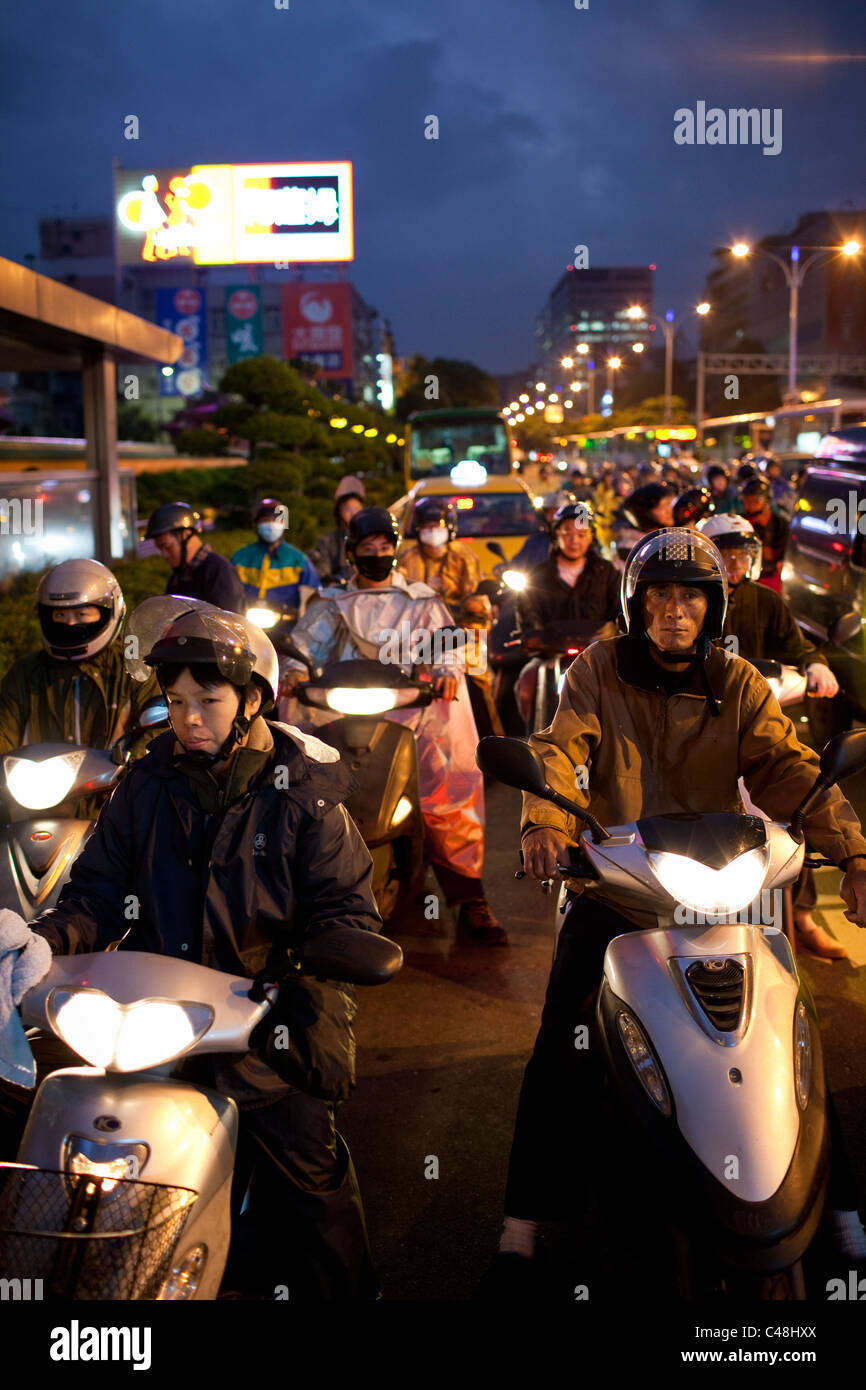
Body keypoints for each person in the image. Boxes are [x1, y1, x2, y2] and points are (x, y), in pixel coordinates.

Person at [480, 527, 866, 1294]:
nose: (675, 611)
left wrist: (853, 854)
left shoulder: (738, 682)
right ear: (636, 604)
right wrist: (547, 827)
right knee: (566, 1039)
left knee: (794, 1033)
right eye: (659, 595)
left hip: (724, 885)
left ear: (714, 605)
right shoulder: (597, 670)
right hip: (621, 889)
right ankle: (523, 1224)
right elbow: (558, 750)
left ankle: (841, 1211)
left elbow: (787, 768)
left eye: (691, 596)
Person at [10, 599, 383, 1300]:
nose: (189, 718)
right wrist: (39, 941)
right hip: (161, 1021)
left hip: (270, 1023)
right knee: (116, 1173)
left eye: (208, 699)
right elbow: (93, 893)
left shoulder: (306, 800)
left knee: (308, 1186)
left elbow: (347, 912)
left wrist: (305, 977)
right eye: (175, 701)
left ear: (251, 701)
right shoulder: (145, 785)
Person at [281, 507, 505, 945]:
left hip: (410, 711)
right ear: (351, 554)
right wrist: (293, 670)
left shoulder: (420, 601)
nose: (379, 555)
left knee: (450, 775)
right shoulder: (329, 604)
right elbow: (301, 649)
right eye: (369, 548)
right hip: (341, 712)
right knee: (295, 764)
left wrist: (443, 672)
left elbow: (445, 647)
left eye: (386, 548)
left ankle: (467, 895)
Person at [697, 513, 845, 960]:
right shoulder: (692, 602)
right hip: (700, 735)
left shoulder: (767, 601)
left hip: (762, 729)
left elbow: (797, 647)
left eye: (741, 555)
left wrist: (815, 663)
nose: (734, 564)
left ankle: (800, 915)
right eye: (724, 555)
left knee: (791, 818)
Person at [0, 559, 162, 814]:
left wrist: (130, 767)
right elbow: (4, 729)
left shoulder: (134, 666)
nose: (71, 624)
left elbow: (158, 728)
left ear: (110, 610)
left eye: (83, 614)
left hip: (116, 808)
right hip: (36, 808)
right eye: (60, 615)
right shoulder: (25, 673)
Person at [517, 502, 620, 634]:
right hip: (551, 652)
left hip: (596, 651)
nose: (574, 541)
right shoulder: (538, 575)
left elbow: (618, 612)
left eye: (581, 535)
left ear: (591, 537)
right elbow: (529, 617)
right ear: (557, 535)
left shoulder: (606, 572)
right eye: (567, 533)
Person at [145, 502, 246, 613]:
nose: (164, 555)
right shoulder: (178, 577)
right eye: (160, 550)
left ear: (186, 534)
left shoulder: (219, 570)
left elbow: (229, 623)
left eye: (168, 547)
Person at [231, 498, 321, 615]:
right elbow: (227, 593)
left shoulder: (299, 559)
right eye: (265, 520)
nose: (271, 524)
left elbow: (314, 600)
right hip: (246, 625)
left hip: (287, 627)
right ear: (256, 525)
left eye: (276, 520)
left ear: (283, 524)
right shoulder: (239, 558)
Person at [396, 496, 481, 611]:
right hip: (417, 622)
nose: (432, 531)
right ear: (418, 529)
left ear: (449, 527)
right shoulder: (407, 559)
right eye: (427, 527)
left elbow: (475, 601)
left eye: (437, 527)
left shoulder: (464, 558)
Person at [308, 475, 366, 586]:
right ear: (339, 511)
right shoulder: (328, 541)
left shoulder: (368, 537)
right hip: (337, 593)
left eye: (357, 508)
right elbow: (322, 571)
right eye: (348, 509)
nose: (353, 513)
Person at [738, 477, 789, 588]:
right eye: (747, 500)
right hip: (742, 579)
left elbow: (786, 557)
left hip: (772, 579)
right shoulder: (738, 523)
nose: (751, 505)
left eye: (756, 500)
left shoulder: (780, 524)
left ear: (767, 502)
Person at [508, 491, 576, 573]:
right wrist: (504, 567)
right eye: (549, 512)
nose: (553, 516)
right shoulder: (536, 540)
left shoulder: (577, 541)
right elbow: (518, 562)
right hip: (538, 584)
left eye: (558, 512)